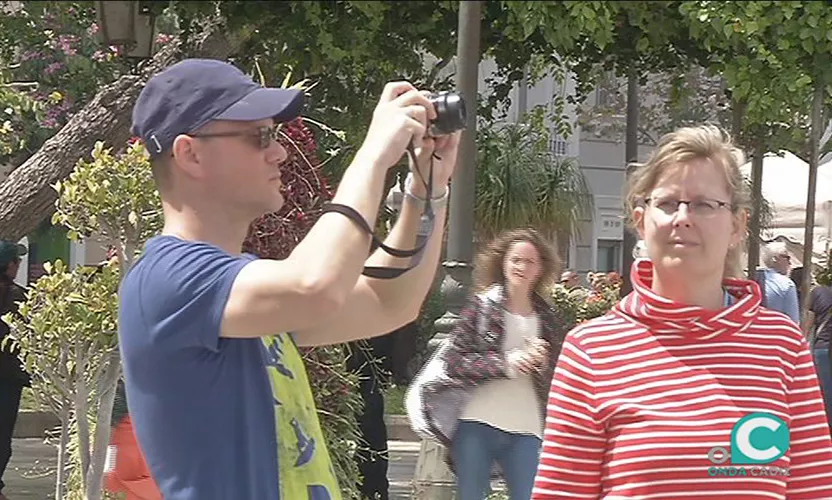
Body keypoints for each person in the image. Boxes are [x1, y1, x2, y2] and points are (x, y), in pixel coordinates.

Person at [118, 59, 460, 500]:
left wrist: (426, 190)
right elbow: (313, 285)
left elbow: (388, 301)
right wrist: (374, 153)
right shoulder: (168, 278)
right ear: (190, 154)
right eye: (260, 136)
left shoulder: (238, 284)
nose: (279, 152)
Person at [532, 125, 832, 498]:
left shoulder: (781, 346)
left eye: (705, 204)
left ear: (737, 225)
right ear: (641, 221)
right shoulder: (592, 350)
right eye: (669, 203)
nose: (683, 217)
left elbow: (814, 490)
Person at [409, 228, 569, 500]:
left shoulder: (547, 317)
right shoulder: (483, 307)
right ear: (503, 263)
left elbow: (560, 372)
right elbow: (454, 362)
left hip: (527, 428)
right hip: (477, 424)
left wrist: (542, 363)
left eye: (530, 261)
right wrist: (506, 363)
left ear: (541, 268)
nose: (521, 267)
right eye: (515, 259)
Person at [0, 241, 30, 500]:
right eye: (15, 262)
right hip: (8, 381)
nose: (18, 266)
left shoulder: (17, 295)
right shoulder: (18, 298)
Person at [804, 274, 832, 428]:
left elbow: (808, 323)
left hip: (822, 348)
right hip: (823, 347)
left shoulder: (817, 292)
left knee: (825, 392)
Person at [756, 241, 800, 322]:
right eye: (787, 257)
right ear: (775, 259)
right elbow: (793, 322)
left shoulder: (750, 278)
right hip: (775, 332)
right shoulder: (786, 284)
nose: (789, 262)